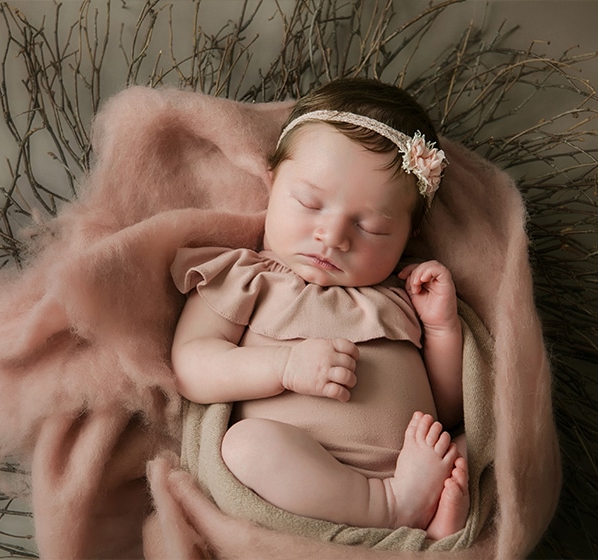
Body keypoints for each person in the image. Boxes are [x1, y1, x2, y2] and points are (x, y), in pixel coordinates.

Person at [170, 78, 469, 539]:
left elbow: (447, 409)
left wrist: (442, 328)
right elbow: (192, 365)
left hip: (413, 463)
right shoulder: (248, 277)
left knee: (483, 448)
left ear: (409, 235)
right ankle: (388, 507)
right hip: (302, 477)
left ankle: (427, 524)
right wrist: (284, 365)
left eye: (370, 227)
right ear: (272, 183)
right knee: (245, 447)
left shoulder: (400, 295)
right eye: (310, 203)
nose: (332, 236)